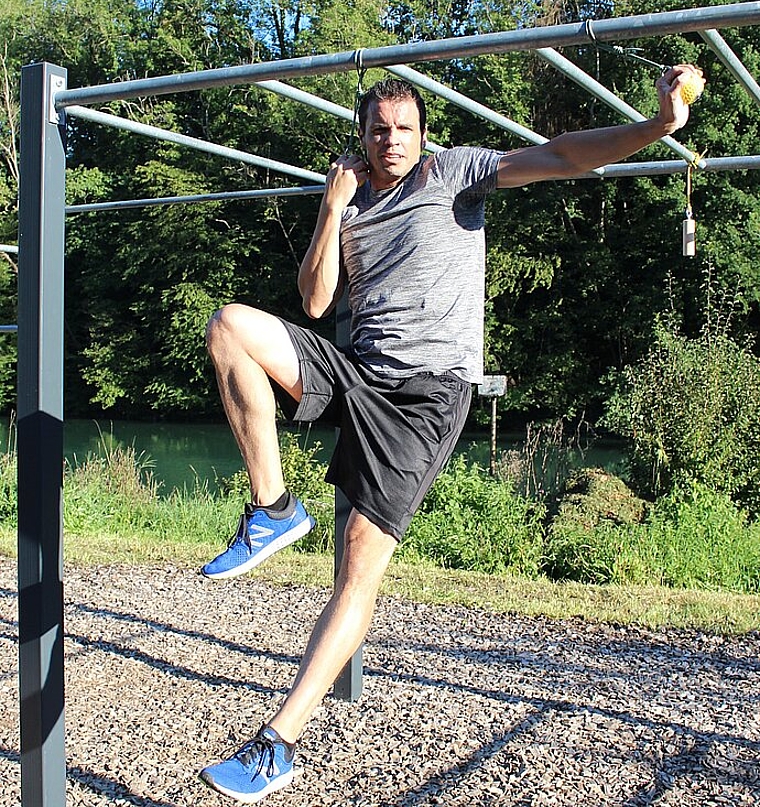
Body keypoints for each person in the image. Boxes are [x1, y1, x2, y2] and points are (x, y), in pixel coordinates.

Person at [199, 66, 704, 803]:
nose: (392, 141)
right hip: (356, 368)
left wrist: (658, 125)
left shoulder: (456, 173)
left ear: (424, 133)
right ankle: (275, 509)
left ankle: (277, 745)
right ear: (361, 138)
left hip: (427, 395)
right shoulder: (354, 197)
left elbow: (561, 155)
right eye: (378, 130)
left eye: (404, 128)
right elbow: (313, 301)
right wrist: (332, 208)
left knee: (358, 567)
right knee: (229, 328)